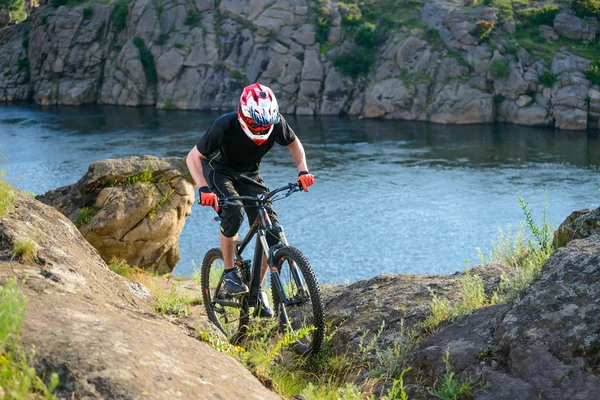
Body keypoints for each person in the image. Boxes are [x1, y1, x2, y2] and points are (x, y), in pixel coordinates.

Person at [186, 83, 315, 317]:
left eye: (265, 124)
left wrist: (303, 170)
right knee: (234, 211)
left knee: (272, 232)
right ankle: (228, 271)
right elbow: (193, 157)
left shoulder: (275, 122)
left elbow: (294, 143)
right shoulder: (224, 125)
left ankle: (257, 290)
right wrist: (204, 188)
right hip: (219, 170)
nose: (261, 128)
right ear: (243, 114)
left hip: (249, 174)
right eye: (256, 124)